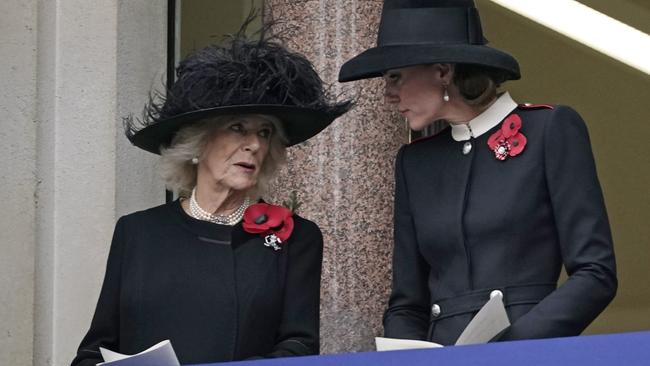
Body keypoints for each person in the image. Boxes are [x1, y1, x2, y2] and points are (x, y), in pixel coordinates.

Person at [338, 0, 617, 345]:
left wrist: (515, 345)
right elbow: (407, 305)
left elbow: (595, 273)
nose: (388, 95)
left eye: (395, 76)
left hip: (527, 351)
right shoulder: (415, 162)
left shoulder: (549, 129)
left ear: (443, 71)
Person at [71, 24, 351, 365]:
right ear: (197, 144)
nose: (255, 144)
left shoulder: (297, 238)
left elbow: (298, 347)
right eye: (238, 128)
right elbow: (94, 349)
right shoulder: (137, 233)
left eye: (265, 133)